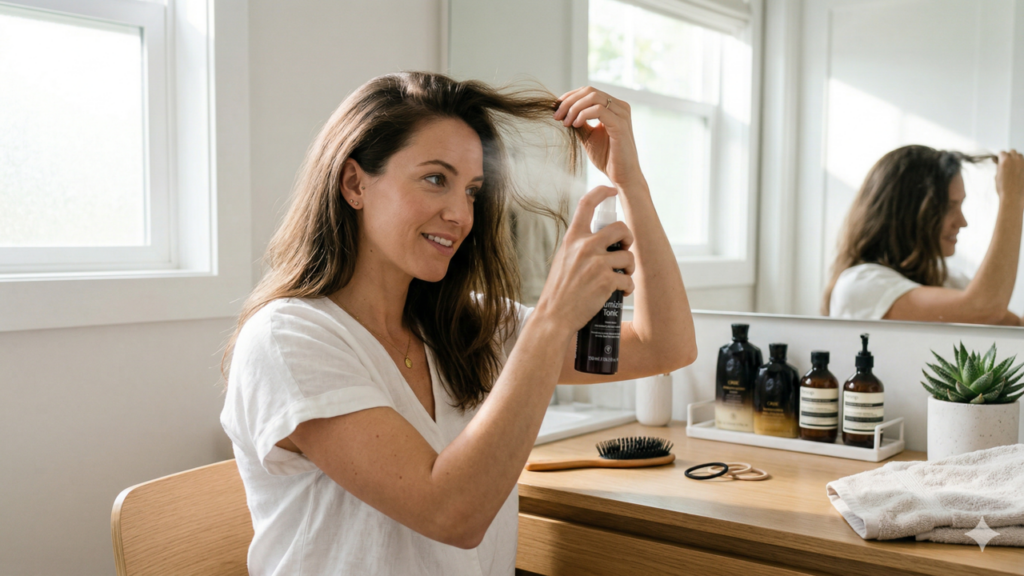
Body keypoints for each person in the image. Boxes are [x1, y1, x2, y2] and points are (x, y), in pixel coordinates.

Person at [220, 72, 696, 575]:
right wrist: (553, 317)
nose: (460, 215)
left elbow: (664, 345)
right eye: (435, 179)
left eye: (472, 190)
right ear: (355, 183)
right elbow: (451, 513)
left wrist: (630, 181)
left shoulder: (466, 328)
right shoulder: (288, 340)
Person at [824, 144, 1024, 324]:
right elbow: (985, 309)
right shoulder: (859, 286)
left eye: (960, 206)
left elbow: (1011, 323)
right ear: (906, 213)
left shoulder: (950, 281)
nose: (962, 222)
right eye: (948, 207)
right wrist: (1012, 198)